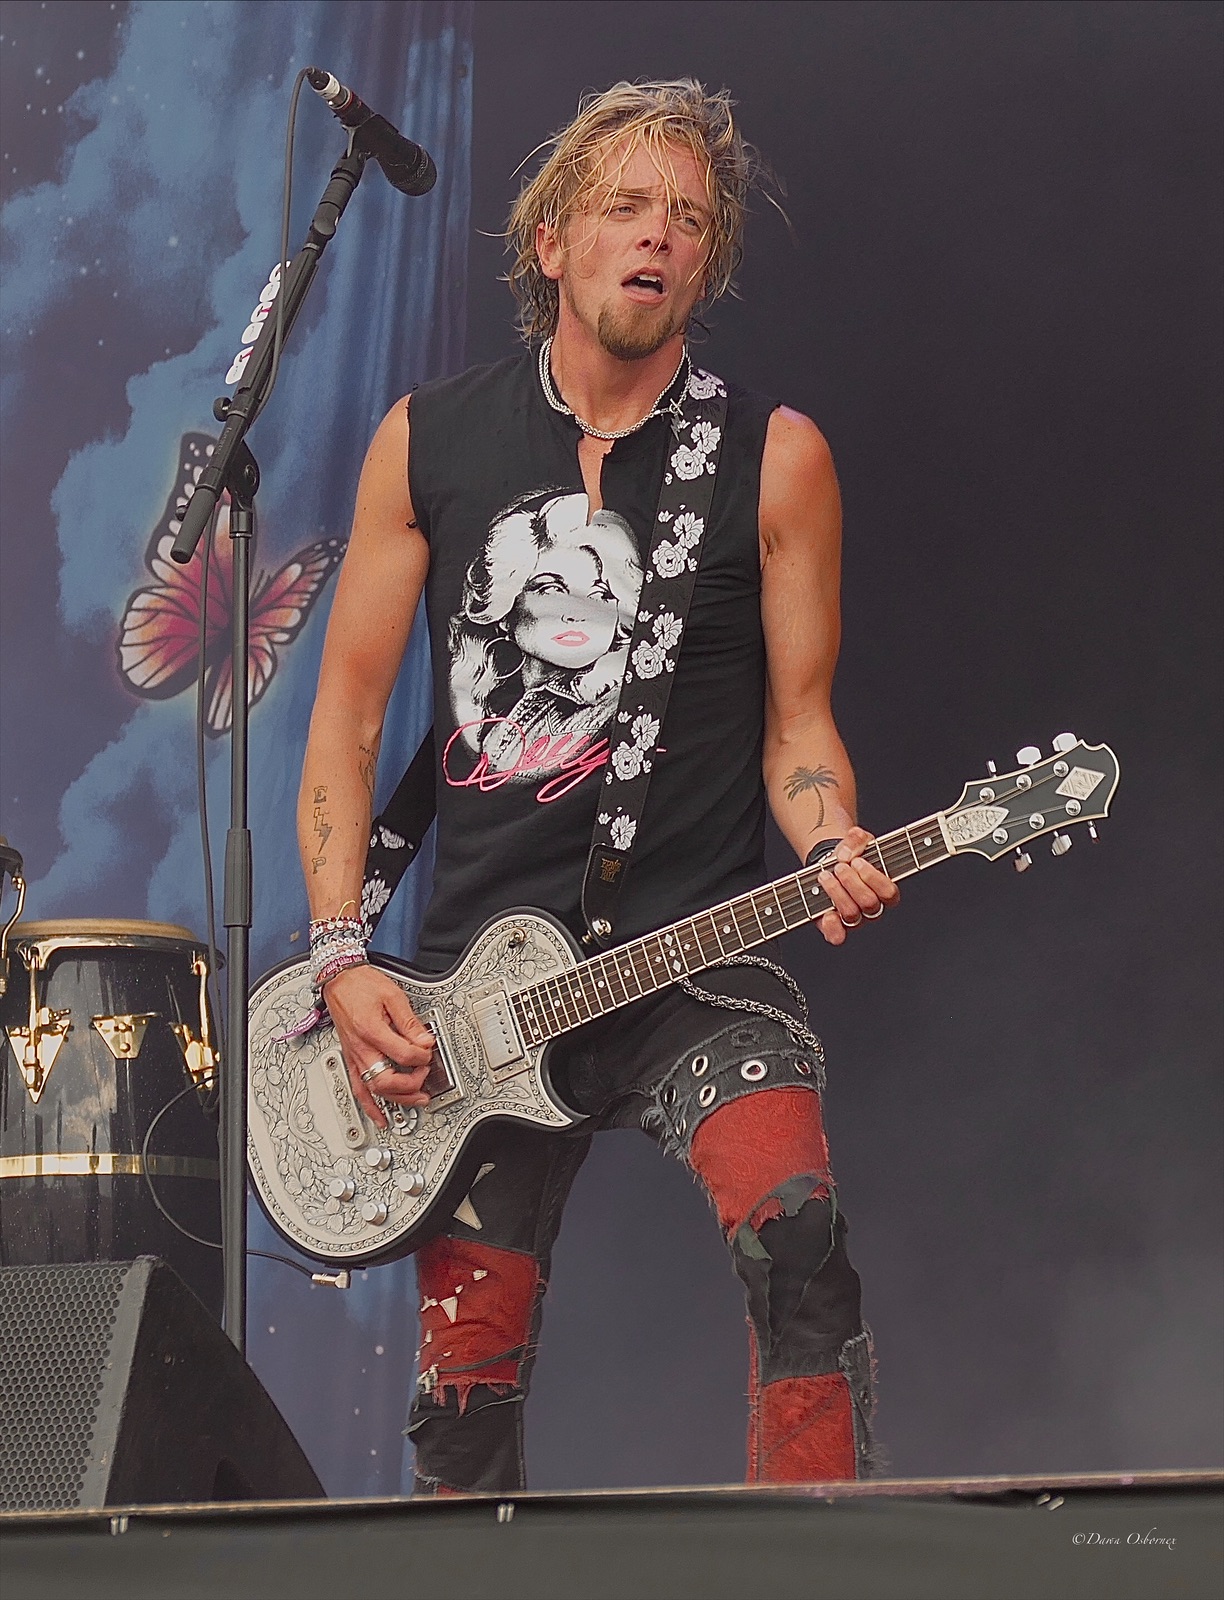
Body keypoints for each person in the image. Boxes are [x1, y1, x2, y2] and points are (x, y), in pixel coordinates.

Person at [299, 79, 901, 1494]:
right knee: (462, 1391)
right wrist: (339, 953)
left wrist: (830, 834)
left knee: (801, 1246)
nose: (657, 235)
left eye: (687, 219)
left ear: (707, 264)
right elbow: (347, 718)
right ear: (553, 240)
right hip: (482, 996)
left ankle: (818, 1565)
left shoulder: (775, 460)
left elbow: (799, 730)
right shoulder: (429, 440)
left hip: (694, 957)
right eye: (626, 207)